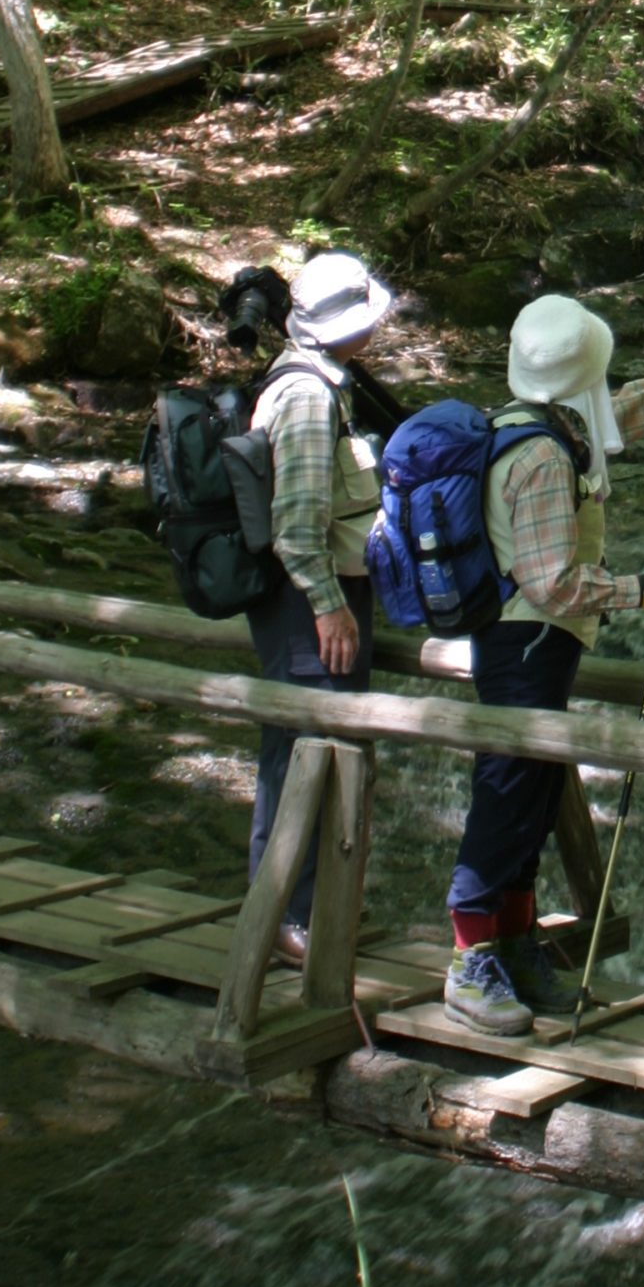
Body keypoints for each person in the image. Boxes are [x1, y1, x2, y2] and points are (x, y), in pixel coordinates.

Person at [445, 292, 644, 1031]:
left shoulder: (537, 422)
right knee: (503, 795)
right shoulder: (542, 458)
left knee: (527, 798)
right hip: (525, 644)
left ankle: (518, 946)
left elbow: (618, 415)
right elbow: (550, 580)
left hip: (530, 643)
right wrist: (641, 591)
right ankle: (468, 961)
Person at [246, 251, 395, 963]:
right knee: (311, 752)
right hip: (311, 601)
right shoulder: (307, 396)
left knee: (312, 752)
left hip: (317, 597)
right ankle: (289, 919)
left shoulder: (321, 383)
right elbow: (297, 523)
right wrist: (330, 608)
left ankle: (303, 913)